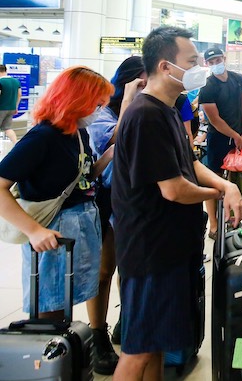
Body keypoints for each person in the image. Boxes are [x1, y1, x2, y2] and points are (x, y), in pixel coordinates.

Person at [112, 26, 242, 380]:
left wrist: (223, 185)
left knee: (158, 342)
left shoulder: (169, 109)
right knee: (138, 350)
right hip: (149, 250)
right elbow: (173, 189)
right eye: (192, 61)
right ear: (166, 66)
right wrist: (220, 193)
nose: (200, 67)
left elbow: (191, 163)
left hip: (171, 247)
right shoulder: (145, 115)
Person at [0, 66, 115, 373]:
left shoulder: (76, 132)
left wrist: (110, 154)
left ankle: (63, 367)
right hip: (53, 232)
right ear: (77, 99)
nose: (99, 110)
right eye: (97, 102)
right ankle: (41, 368)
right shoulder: (43, 136)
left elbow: (83, 178)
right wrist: (34, 230)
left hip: (81, 226)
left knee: (66, 305)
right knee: (48, 310)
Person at [86, 56, 148, 373]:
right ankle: (97, 335)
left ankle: (127, 320)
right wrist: (128, 97)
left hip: (135, 198)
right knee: (104, 269)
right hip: (105, 198)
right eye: (141, 80)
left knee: (131, 265)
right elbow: (118, 140)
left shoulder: (149, 108)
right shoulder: (101, 113)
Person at [198, 47, 242, 239]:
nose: (215, 64)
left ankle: (231, 217)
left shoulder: (238, 79)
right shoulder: (207, 86)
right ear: (207, 64)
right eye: (211, 62)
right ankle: (214, 224)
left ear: (224, 58)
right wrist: (235, 135)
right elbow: (215, 119)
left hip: (238, 136)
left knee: (235, 179)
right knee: (215, 181)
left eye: (217, 60)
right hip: (218, 138)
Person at [0, 64, 22, 143]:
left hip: (1, 108)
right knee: (7, 128)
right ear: (6, 71)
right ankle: (16, 145)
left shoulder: (0, 81)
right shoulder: (16, 81)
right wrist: (16, 107)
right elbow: (20, 94)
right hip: (11, 108)